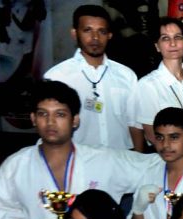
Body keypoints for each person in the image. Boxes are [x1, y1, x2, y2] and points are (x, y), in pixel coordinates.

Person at [0, 80, 158, 219]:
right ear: (34, 119)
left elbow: (155, 165)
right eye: (43, 114)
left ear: (74, 120)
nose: (50, 122)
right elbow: (1, 209)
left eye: (60, 114)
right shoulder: (16, 165)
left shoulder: (103, 159)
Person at [44, 4, 143, 150]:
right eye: (87, 30)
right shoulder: (57, 77)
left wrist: (138, 161)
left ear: (109, 35)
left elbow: (134, 123)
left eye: (101, 31)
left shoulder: (126, 75)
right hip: (78, 164)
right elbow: (50, 128)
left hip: (121, 161)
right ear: (74, 33)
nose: (95, 37)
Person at [135, 18, 183, 145]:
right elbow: (152, 135)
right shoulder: (147, 85)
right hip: (168, 158)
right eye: (165, 38)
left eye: (178, 37)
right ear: (157, 46)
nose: (173, 44)